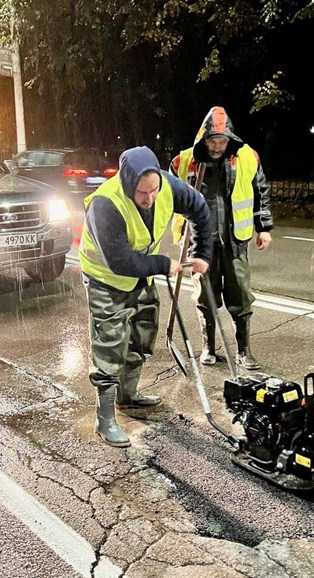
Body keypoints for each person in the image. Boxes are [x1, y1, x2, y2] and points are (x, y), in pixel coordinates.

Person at [79, 146, 212, 448]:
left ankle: (127, 396)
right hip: (106, 278)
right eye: (142, 192)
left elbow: (200, 208)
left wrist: (202, 253)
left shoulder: (165, 185)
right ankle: (105, 418)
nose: (150, 198)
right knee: (110, 342)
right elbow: (120, 262)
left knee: (142, 330)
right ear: (128, 183)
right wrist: (164, 264)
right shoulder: (105, 203)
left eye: (154, 190)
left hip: (141, 273)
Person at [169, 106, 274, 370]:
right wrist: (179, 234)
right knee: (206, 297)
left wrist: (263, 227)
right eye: (212, 141)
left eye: (222, 141)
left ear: (230, 140)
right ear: (203, 139)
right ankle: (209, 347)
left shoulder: (247, 157)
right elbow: (168, 200)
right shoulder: (183, 162)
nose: (217, 147)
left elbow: (260, 192)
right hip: (200, 243)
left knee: (241, 296)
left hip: (234, 240)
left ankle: (244, 351)